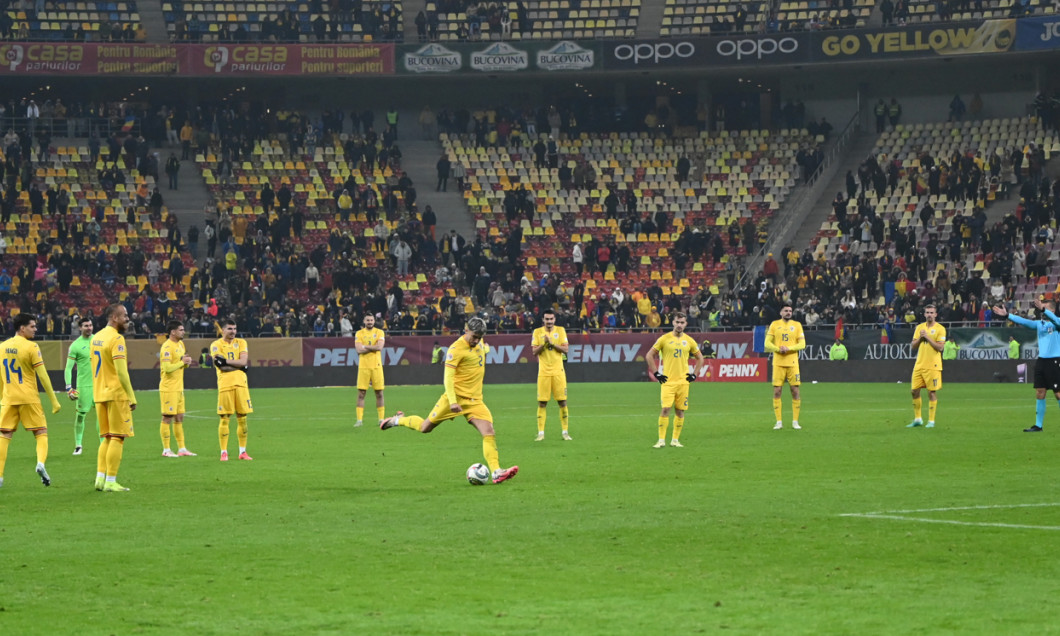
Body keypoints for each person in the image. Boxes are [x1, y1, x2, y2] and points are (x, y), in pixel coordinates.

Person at [380, 317, 519, 485]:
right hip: (454, 398)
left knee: (489, 432)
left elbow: (482, 351)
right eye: (474, 336)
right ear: (466, 330)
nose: (476, 341)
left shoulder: (480, 344)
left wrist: (485, 347)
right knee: (425, 428)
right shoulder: (456, 349)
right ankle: (397, 420)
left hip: (475, 401)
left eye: (479, 337)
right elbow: (448, 378)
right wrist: (453, 401)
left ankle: (496, 471)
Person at [0, 313, 62, 489]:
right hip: (28, 397)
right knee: (41, 433)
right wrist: (54, 401)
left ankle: (0, 475)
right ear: (22, 328)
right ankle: (41, 463)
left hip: (9, 398)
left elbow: (0, 376)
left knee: (4, 436)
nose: (36, 329)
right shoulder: (31, 347)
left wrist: (1, 397)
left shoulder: (2, 347)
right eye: (33, 326)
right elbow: (43, 376)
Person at [993, 300, 1060, 432]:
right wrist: (1008, 316)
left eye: (1045, 308)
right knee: (1040, 392)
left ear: (1051, 310)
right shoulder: (1040, 324)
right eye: (1041, 308)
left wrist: (1043, 309)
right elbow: (1025, 322)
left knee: (1058, 394)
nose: (1041, 310)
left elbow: (1055, 320)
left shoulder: (1057, 322)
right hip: (1042, 361)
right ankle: (1038, 425)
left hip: (1055, 361)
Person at [91, 304, 137, 492]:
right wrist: (131, 396)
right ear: (113, 317)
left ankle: (100, 479)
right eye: (124, 315)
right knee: (117, 437)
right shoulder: (116, 339)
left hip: (100, 393)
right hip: (116, 394)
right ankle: (111, 481)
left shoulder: (97, 337)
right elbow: (121, 371)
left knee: (106, 437)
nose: (128, 318)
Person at [645, 312, 704, 448]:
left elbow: (700, 358)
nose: (679, 325)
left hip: (683, 382)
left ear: (686, 324)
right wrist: (657, 374)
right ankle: (661, 440)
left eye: (682, 323)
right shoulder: (664, 339)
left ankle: (675, 440)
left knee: (680, 411)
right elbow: (649, 355)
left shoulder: (689, 341)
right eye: (677, 322)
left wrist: (694, 374)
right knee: (665, 409)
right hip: (668, 382)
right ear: (673, 323)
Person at [211, 319, 253, 461]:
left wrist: (228, 361)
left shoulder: (242, 342)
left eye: (235, 328)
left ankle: (243, 452)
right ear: (223, 330)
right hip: (225, 385)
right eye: (230, 328)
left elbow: (243, 362)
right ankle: (224, 452)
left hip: (241, 384)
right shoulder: (216, 345)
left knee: (243, 418)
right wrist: (239, 367)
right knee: (225, 418)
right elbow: (220, 366)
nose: (233, 331)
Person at [531, 309, 571, 442]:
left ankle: (565, 432)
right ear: (543, 320)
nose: (549, 321)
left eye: (551, 319)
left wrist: (552, 343)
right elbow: (534, 352)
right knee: (542, 403)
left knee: (562, 402)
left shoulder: (560, 331)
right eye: (547, 319)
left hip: (558, 371)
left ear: (554, 319)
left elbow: (566, 349)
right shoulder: (537, 332)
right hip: (543, 373)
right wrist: (544, 344)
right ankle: (541, 433)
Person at [765, 304, 805, 430]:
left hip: (793, 363)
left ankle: (795, 421)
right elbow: (766, 343)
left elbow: (803, 344)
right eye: (786, 310)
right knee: (777, 391)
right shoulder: (774, 324)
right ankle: (778, 422)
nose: (788, 312)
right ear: (780, 312)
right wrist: (778, 349)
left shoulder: (797, 325)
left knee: (795, 391)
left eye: (790, 311)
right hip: (778, 363)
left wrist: (789, 348)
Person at [159, 320, 196, 457]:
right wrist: (182, 362)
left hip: (179, 388)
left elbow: (180, 364)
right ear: (173, 332)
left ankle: (182, 449)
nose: (183, 331)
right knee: (167, 417)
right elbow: (167, 368)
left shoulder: (181, 344)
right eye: (181, 330)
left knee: (179, 417)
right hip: (169, 388)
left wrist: (186, 363)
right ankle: (166, 449)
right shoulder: (167, 347)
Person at [907, 303, 946, 428]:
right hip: (919, 364)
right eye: (927, 312)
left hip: (933, 365)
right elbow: (913, 346)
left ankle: (931, 421)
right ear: (924, 314)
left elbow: (940, 347)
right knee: (914, 391)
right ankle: (918, 419)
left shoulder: (940, 329)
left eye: (931, 312)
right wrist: (920, 338)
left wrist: (927, 337)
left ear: (935, 314)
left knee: (931, 392)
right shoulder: (919, 328)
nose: (929, 315)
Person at [64, 317, 95, 455]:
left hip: (99, 385)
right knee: (81, 416)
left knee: (102, 414)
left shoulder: (98, 341)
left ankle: (102, 443)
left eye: (90, 325)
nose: (89, 327)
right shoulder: (75, 346)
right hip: (83, 386)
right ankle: (78, 445)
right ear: (80, 328)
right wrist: (69, 387)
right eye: (86, 325)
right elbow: (68, 368)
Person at [354, 314, 386, 427]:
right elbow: (358, 349)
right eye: (367, 320)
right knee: (361, 393)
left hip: (376, 366)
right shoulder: (359, 333)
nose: (370, 322)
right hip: (364, 367)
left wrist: (365, 347)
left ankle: (381, 419)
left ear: (374, 321)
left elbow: (379, 347)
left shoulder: (380, 332)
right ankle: (359, 420)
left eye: (371, 320)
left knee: (379, 393)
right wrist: (373, 347)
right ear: (364, 321)